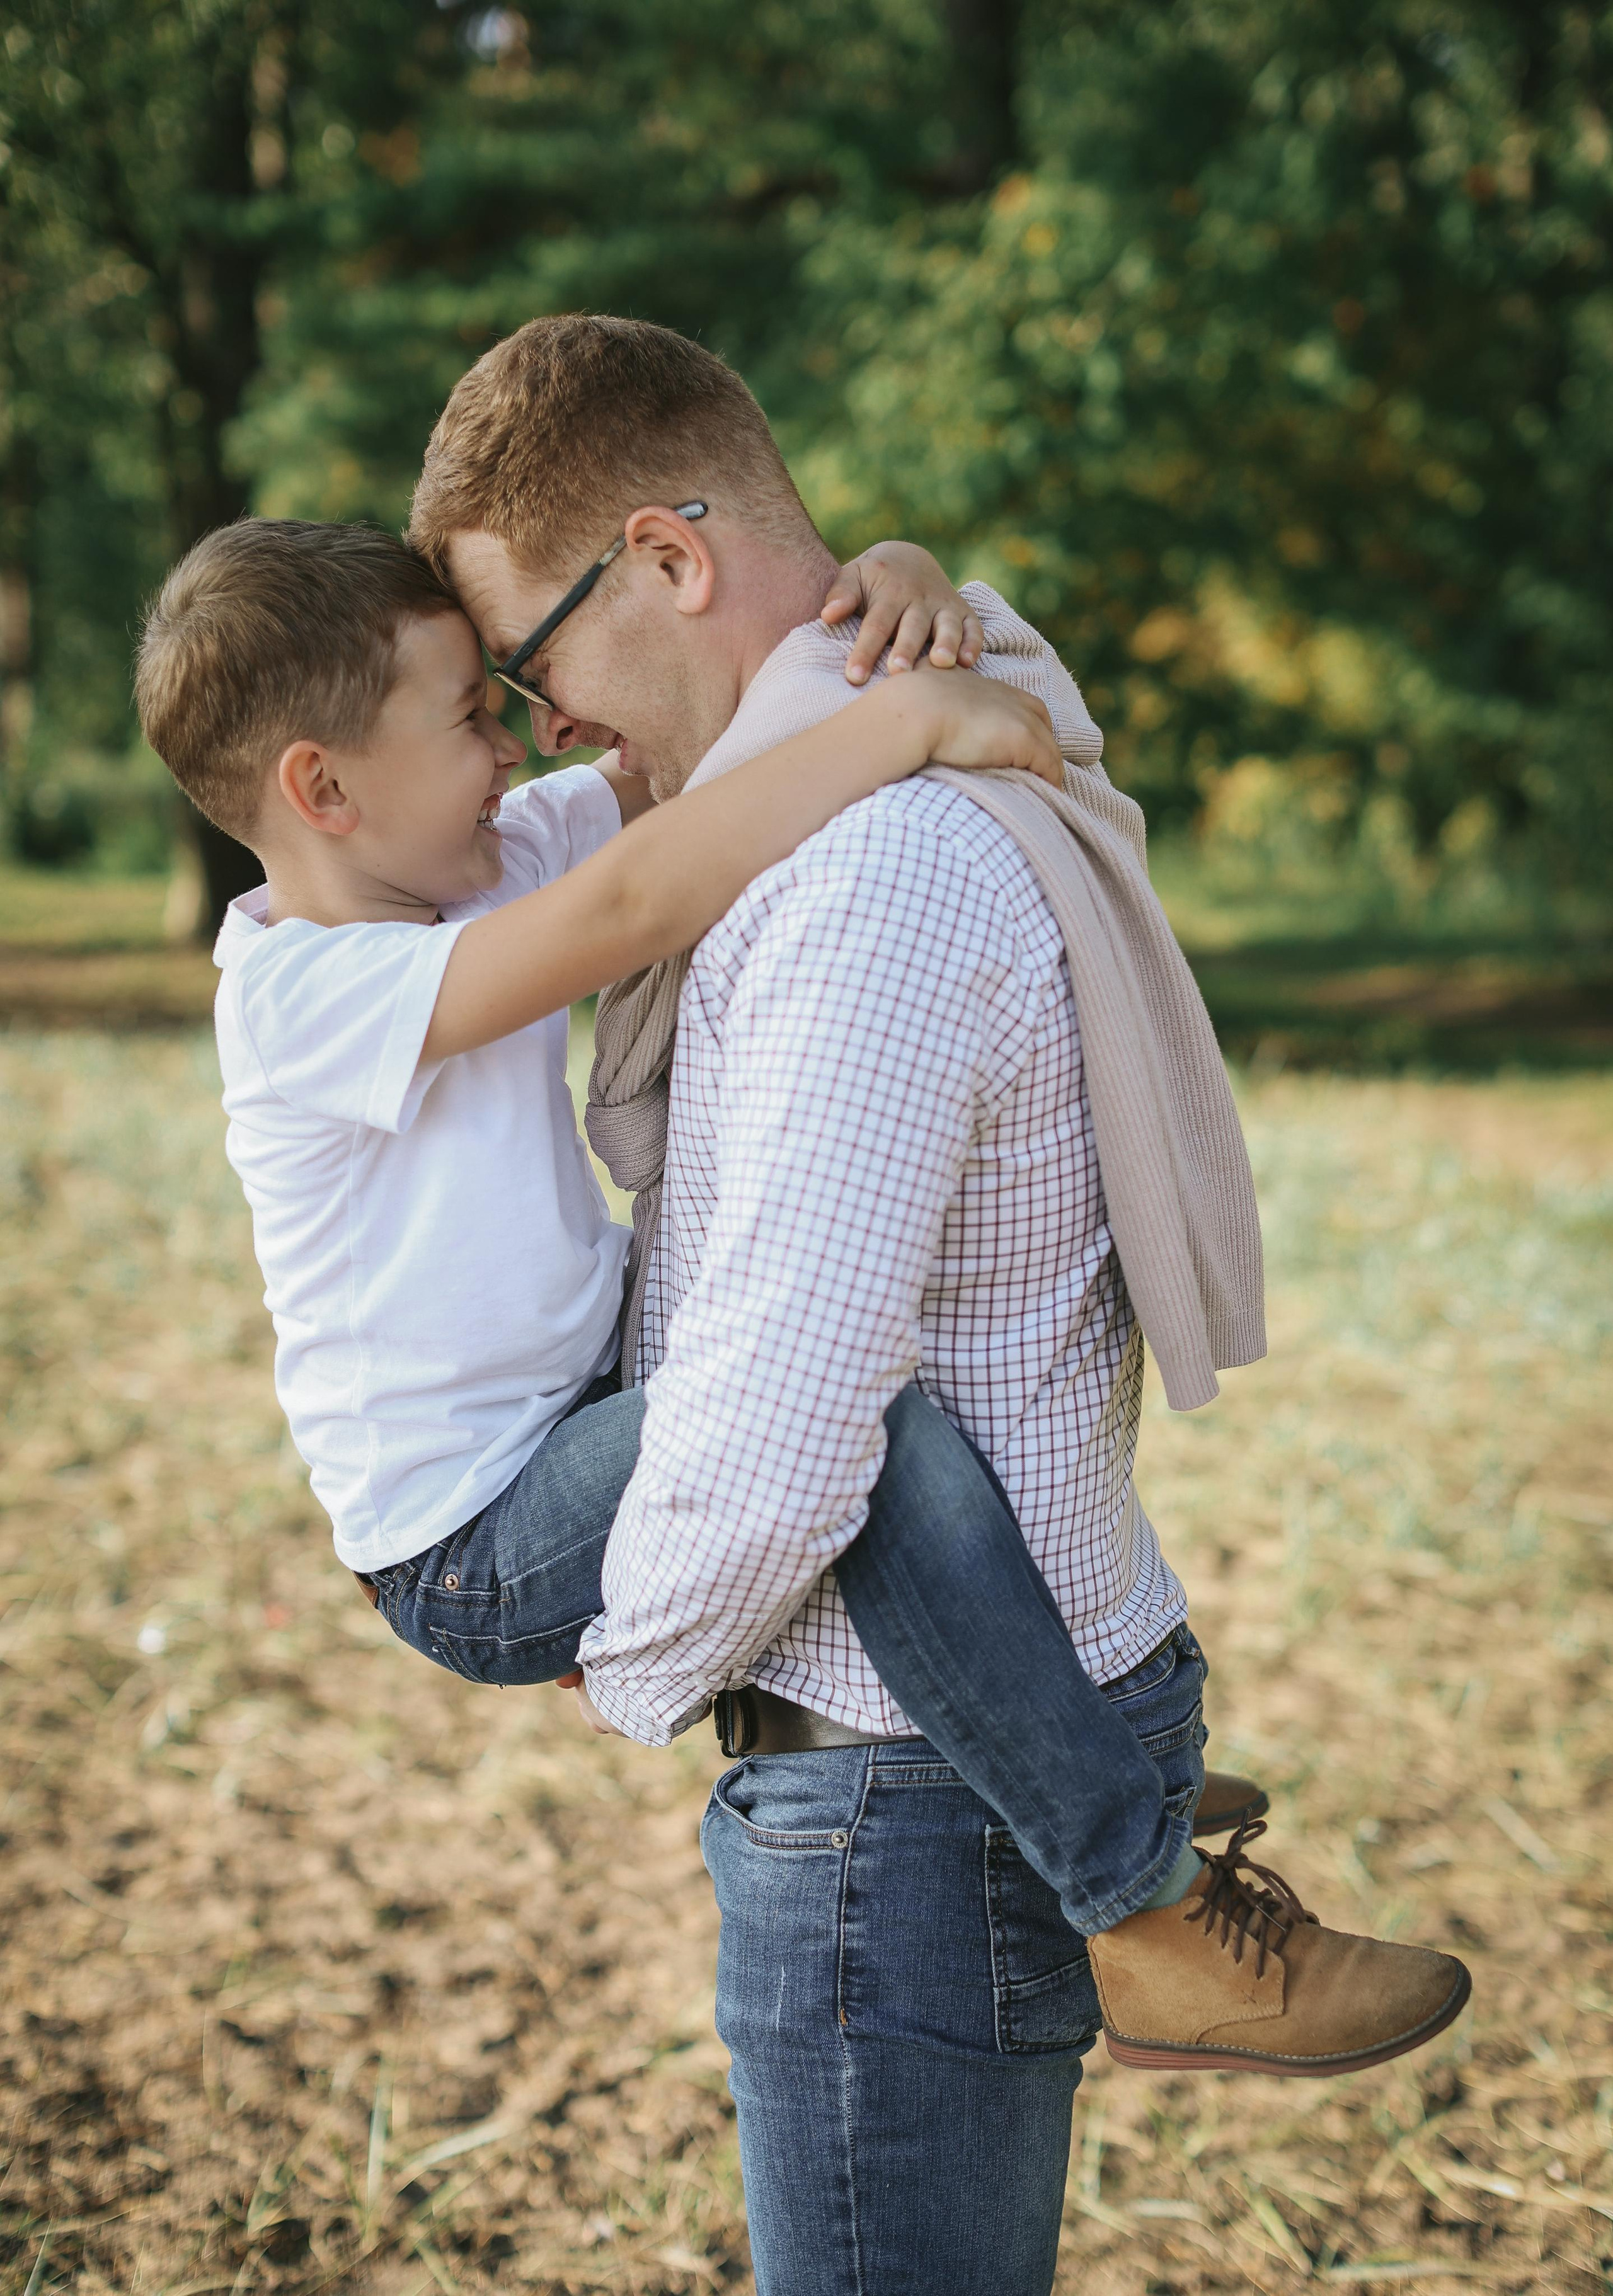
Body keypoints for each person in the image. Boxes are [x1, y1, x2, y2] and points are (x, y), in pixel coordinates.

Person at [408, 314, 1473, 2296]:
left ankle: (1140, 1889)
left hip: (896, 1790)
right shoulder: (866, 760)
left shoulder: (860, 886)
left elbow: (793, 1412)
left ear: (667, 556)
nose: (548, 726)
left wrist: (624, 1649)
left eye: (533, 663)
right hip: (974, 1721)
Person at [134, 515, 1265, 1965]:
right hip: (470, 1533)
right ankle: (1133, 1883)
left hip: (575, 1422)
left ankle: (1077, 1770)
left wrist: (897, 588)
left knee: (830, 1414)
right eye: (474, 715)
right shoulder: (302, 997)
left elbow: (700, 763)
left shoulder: (472, 859)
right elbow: (634, 893)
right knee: (863, 1429)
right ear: (323, 787)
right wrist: (910, 718)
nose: (514, 751)